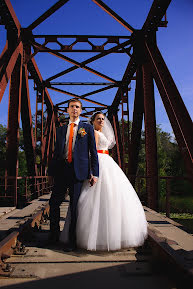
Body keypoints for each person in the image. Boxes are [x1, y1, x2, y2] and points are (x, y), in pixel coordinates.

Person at [60, 111, 148, 251]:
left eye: (102, 119)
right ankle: (90, 236)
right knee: (94, 198)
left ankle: (108, 234)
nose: (101, 121)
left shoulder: (103, 133)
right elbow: (91, 152)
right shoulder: (93, 133)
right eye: (98, 119)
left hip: (108, 162)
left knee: (112, 196)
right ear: (93, 121)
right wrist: (92, 171)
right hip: (99, 162)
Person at [48, 99, 99, 251]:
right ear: (67, 110)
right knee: (53, 203)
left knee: (74, 207)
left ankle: (72, 241)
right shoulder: (61, 129)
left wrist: (95, 173)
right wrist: (51, 172)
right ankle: (53, 236)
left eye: (77, 107)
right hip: (62, 170)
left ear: (81, 111)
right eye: (72, 107)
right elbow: (56, 153)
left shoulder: (87, 128)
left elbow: (93, 152)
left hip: (78, 172)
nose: (74, 109)